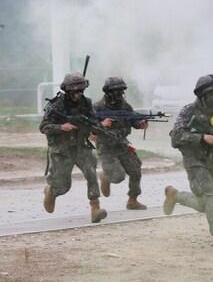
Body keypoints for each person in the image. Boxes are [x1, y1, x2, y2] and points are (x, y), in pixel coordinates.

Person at [164, 74, 213, 255]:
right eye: (212, 94)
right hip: (194, 160)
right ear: (202, 95)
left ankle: (175, 195)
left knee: (204, 204)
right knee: (211, 196)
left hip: (211, 161)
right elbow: (176, 138)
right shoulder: (189, 111)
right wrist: (201, 138)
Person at [40, 73, 110, 223]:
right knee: (64, 187)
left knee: (91, 172)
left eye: (81, 91)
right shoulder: (56, 105)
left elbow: (92, 121)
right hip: (62, 149)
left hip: (80, 146)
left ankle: (95, 208)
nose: (78, 94)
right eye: (75, 91)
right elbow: (44, 127)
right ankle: (51, 191)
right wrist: (61, 127)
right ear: (67, 90)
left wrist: (97, 129)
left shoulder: (86, 103)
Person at [94, 77, 148, 210]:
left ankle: (132, 200)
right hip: (105, 146)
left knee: (135, 169)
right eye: (116, 91)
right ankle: (106, 176)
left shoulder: (125, 106)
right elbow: (87, 126)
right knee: (118, 177)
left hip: (122, 144)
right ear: (108, 92)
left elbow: (133, 120)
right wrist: (101, 124)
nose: (119, 94)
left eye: (121, 91)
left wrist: (140, 124)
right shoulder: (97, 107)